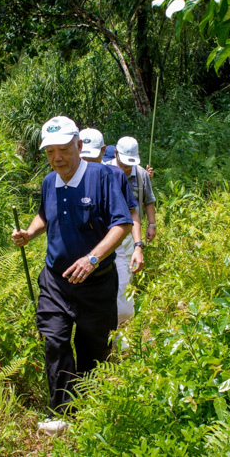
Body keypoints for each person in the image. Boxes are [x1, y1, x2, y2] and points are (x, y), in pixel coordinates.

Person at [11, 116, 133, 436]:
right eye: (50, 152)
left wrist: (93, 258)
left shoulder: (105, 178)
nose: (57, 158)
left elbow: (122, 225)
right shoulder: (49, 182)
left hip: (96, 283)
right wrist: (30, 233)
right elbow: (43, 215)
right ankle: (61, 413)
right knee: (55, 340)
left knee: (93, 349)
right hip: (55, 279)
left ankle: (88, 412)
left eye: (63, 149)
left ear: (79, 145)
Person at [79, 128, 144, 327]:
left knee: (124, 307)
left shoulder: (115, 175)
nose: (89, 162)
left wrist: (138, 246)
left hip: (115, 248)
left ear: (103, 151)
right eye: (84, 157)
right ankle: (103, 345)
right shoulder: (67, 176)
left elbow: (132, 213)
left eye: (93, 156)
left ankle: (115, 339)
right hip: (81, 250)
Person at [106, 136, 157, 245]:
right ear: (115, 154)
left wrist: (151, 225)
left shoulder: (141, 174)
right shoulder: (104, 170)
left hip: (132, 231)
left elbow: (148, 200)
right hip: (107, 231)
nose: (127, 165)